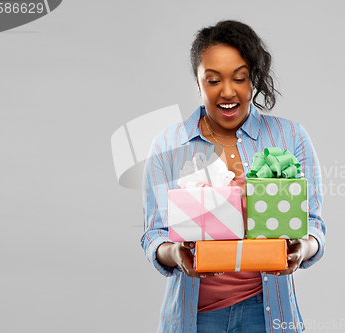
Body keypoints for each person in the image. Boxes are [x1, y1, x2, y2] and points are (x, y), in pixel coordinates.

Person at [141, 20, 326, 333]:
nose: (227, 91)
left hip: (266, 312)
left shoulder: (290, 136)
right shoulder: (167, 145)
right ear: (197, 83)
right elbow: (153, 234)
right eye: (213, 80)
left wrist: (303, 248)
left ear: (253, 79)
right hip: (196, 317)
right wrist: (176, 253)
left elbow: (314, 224)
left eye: (239, 78)